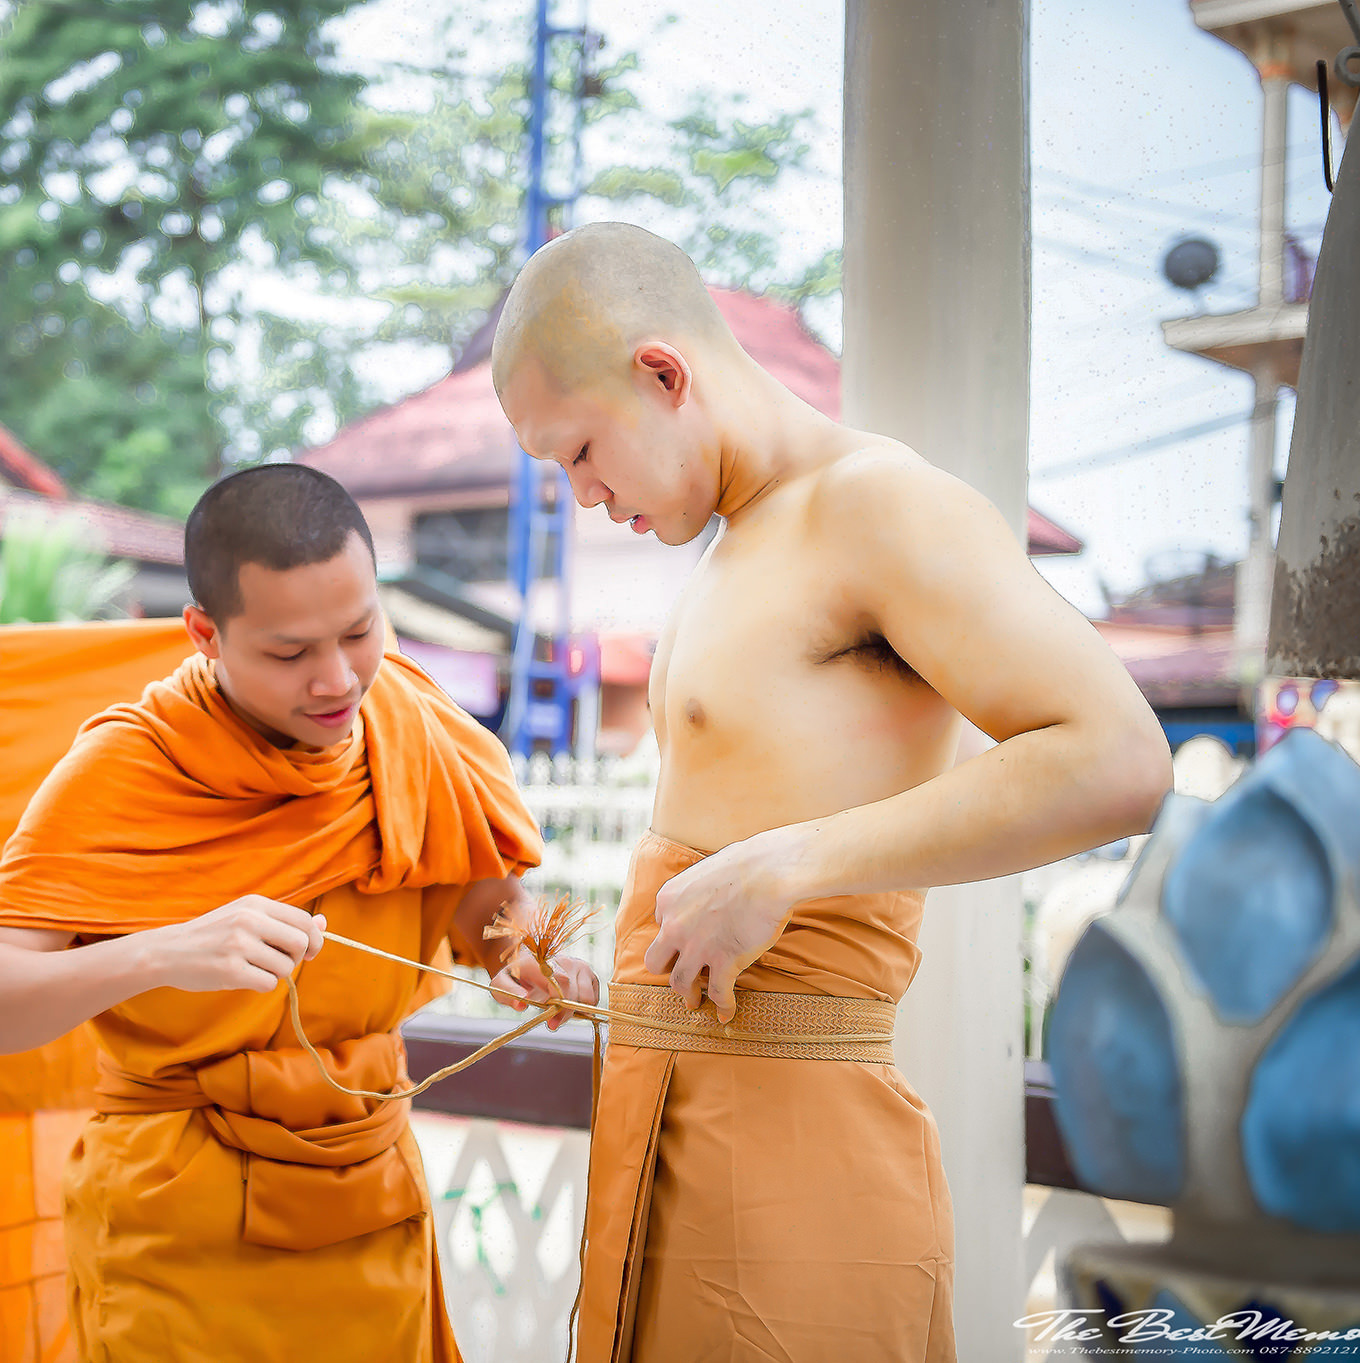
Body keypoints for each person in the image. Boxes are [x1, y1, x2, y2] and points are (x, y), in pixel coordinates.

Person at [489, 222, 1172, 1363]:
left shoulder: (879, 504)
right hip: (667, 1129)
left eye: (580, 452)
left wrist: (791, 863)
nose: (582, 493)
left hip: (796, 1151)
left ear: (663, 374)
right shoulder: (730, 539)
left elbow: (1116, 758)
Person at [0, 464, 598, 1362]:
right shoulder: (131, 767)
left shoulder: (413, 729)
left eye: (359, 632)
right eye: (289, 652)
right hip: (181, 1225)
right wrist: (164, 952)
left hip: (368, 1203)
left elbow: (486, 901)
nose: (336, 680)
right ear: (204, 633)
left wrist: (526, 956)